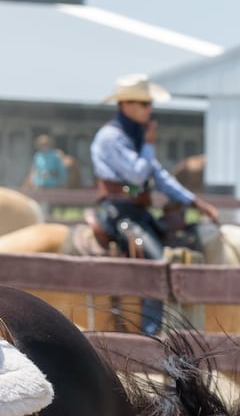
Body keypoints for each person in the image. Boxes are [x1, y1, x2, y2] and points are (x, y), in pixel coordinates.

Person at [90, 73, 219, 334]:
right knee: (159, 263)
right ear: (126, 104)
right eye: (144, 104)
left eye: (150, 104)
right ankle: (151, 336)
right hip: (120, 213)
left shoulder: (134, 136)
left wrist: (193, 201)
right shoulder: (111, 137)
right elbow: (137, 174)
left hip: (138, 212)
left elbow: (159, 176)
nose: (150, 109)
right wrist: (148, 145)